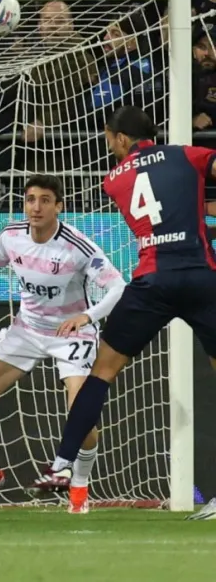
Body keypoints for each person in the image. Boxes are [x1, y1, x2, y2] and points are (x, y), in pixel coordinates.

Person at [29, 106, 216, 516]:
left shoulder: (112, 180)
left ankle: (62, 462)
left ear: (119, 139)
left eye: (108, 139)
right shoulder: (189, 155)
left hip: (152, 281)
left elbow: (158, 209)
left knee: (102, 372)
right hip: (202, 277)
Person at [0, 175, 126, 514]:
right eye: (31, 199)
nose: (36, 207)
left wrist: (88, 317)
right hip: (27, 330)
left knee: (80, 418)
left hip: (71, 335)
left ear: (59, 206)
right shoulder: (12, 237)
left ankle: (79, 485)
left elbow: (118, 287)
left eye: (45, 200)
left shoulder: (77, 246)